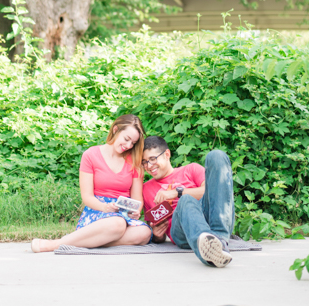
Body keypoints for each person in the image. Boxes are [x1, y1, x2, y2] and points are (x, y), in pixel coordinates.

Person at [31, 114, 151, 252]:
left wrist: (135, 211)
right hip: (98, 210)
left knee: (144, 233)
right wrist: (105, 207)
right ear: (115, 130)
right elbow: (87, 197)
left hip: (123, 213)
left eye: (133, 143)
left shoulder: (134, 162)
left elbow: (137, 200)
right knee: (117, 224)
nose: (129, 145)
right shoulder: (90, 155)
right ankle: (55, 244)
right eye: (126, 139)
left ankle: (87, 240)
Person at [141, 136, 235, 268]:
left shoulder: (191, 169)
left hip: (213, 218)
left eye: (152, 159)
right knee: (185, 201)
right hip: (182, 233)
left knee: (217, 155)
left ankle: (219, 241)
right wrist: (156, 235)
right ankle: (210, 251)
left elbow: (216, 190)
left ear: (167, 154)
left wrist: (177, 192)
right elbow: (155, 229)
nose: (149, 166)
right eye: (144, 162)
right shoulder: (145, 189)